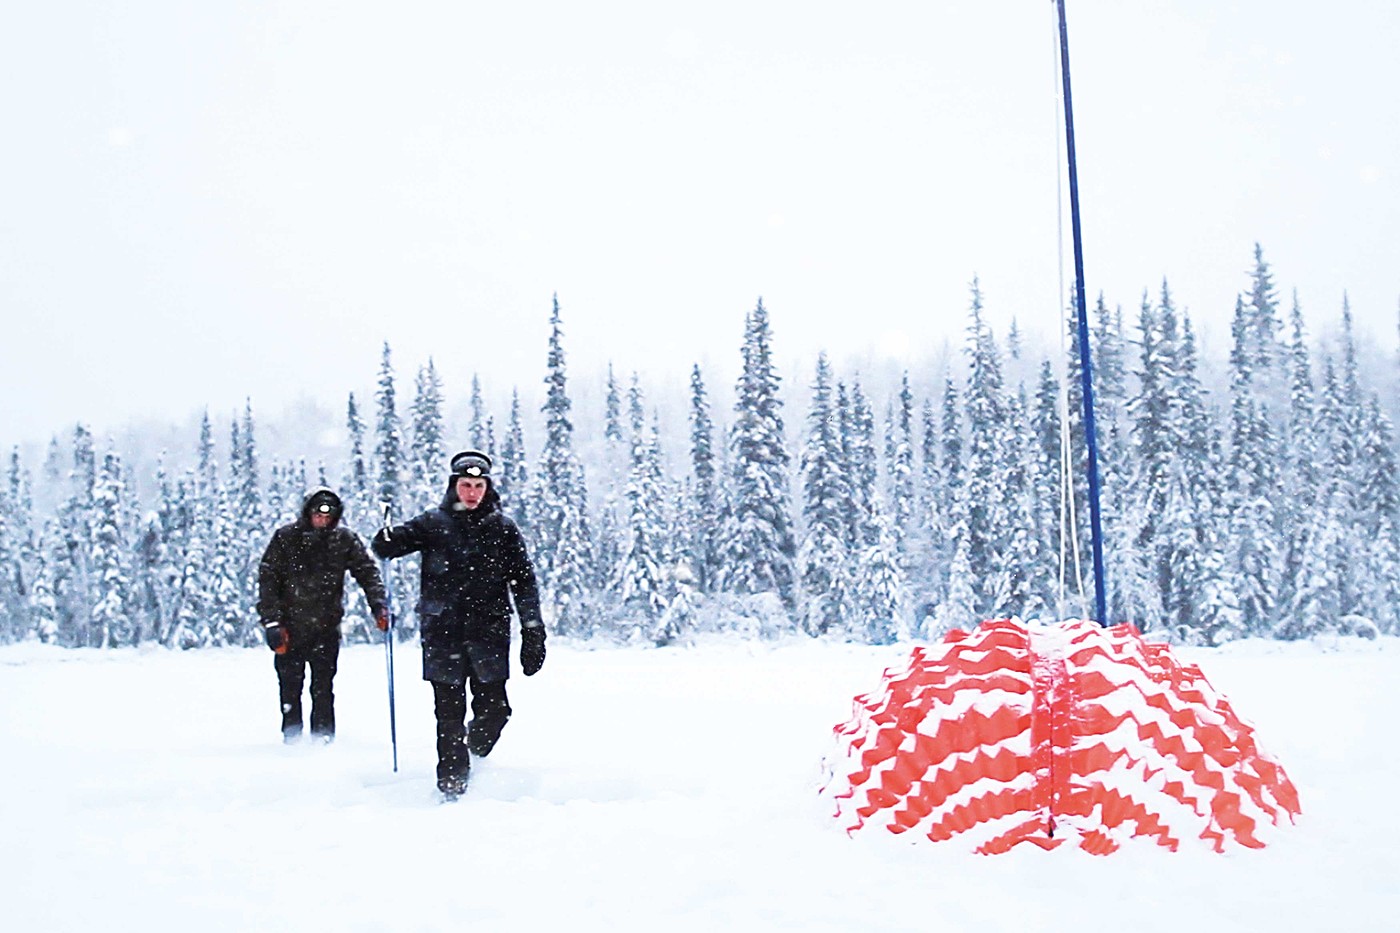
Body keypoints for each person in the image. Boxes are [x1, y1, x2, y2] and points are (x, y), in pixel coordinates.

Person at [372, 449, 546, 799]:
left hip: (489, 633)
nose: (471, 492)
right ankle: (452, 785)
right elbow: (388, 545)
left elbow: (524, 581)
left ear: (487, 487)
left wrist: (533, 630)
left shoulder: (503, 528)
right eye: (465, 485)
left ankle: (473, 759)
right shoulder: (434, 523)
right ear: (454, 486)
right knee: (448, 717)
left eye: (478, 485)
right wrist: (386, 541)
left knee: (496, 711)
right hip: (443, 635)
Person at [257, 486, 388, 743]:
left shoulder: (343, 540)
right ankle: (292, 741)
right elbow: (268, 580)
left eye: (328, 515)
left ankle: (323, 741)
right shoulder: (285, 538)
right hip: (289, 629)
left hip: (325, 628)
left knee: (323, 688)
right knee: (290, 688)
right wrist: (272, 621)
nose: (322, 519)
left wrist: (379, 604)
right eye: (318, 513)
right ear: (307, 513)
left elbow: (367, 572)